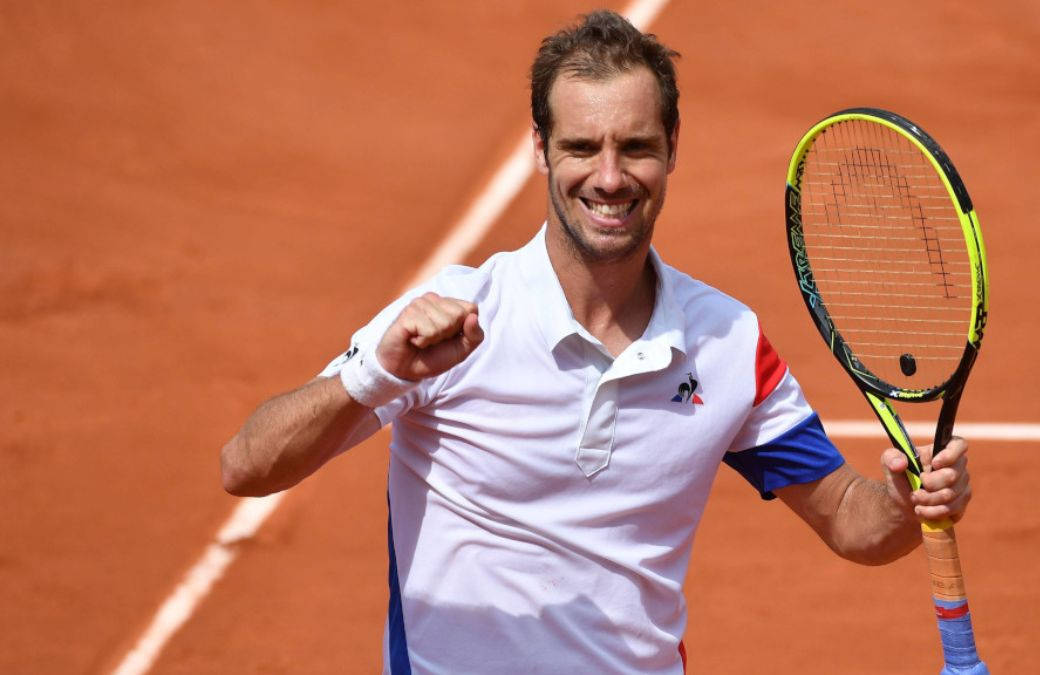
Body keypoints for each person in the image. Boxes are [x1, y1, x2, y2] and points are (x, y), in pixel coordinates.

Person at [221, 10, 973, 674]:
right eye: (581, 146)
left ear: (673, 148)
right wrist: (375, 376)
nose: (609, 177)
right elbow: (246, 465)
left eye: (636, 147)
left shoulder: (727, 342)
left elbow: (846, 513)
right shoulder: (455, 315)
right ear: (540, 149)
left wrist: (908, 505)